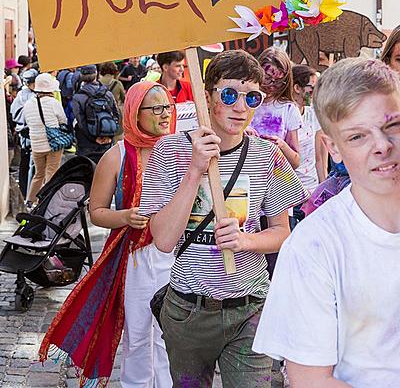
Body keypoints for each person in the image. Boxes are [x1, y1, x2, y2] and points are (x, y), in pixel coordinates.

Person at [139, 50, 309, 388]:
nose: (241, 107)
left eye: (252, 97)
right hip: (188, 310)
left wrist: (246, 240)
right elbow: (163, 239)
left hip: (251, 308)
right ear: (206, 96)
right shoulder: (168, 150)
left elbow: (283, 234)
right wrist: (194, 170)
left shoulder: (267, 155)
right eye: (229, 95)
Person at [253, 57, 400, 387]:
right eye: (357, 137)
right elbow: (310, 380)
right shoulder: (312, 247)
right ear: (333, 148)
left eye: (392, 125)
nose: (382, 146)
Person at [40, 82, 176, 388]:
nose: (165, 114)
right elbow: (96, 212)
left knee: (168, 339)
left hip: (177, 258)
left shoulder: (179, 149)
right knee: (139, 335)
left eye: (167, 106)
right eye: (156, 108)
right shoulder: (116, 156)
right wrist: (125, 216)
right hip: (135, 259)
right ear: (134, 113)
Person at [251, 47, 301, 169]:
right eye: (267, 78)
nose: (272, 85)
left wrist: (281, 145)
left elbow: (296, 162)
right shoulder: (243, 100)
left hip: (274, 180)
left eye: (279, 81)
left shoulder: (288, 109)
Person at [23, 73, 67, 206]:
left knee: (39, 174)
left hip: (36, 145)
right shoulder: (54, 103)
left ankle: (30, 200)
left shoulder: (28, 103)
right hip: (53, 144)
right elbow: (63, 120)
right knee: (51, 173)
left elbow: (27, 121)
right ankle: (47, 202)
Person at [72, 65, 119, 164]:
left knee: (87, 168)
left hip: (86, 142)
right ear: (96, 74)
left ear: (81, 76)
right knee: (106, 167)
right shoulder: (107, 93)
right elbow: (116, 115)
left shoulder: (78, 97)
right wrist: (109, 136)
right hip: (106, 138)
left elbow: (80, 122)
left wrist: (94, 138)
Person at [292, 64, 328, 193]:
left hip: (312, 190)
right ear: (297, 88)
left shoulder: (312, 112)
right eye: (311, 88)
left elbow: (319, 157)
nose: (315, 93)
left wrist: (324, 186)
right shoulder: (285, 115)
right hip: (292, 195)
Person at [10, 68, 38, 197]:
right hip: (32, 132)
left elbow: (13, 114)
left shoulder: (20, 96)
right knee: (32, 164)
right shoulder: (33, 97)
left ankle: (23, 190)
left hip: (22, 133)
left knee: (24, 162)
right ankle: (30, 193)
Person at [99, 61, 126, 141]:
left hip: (101, 114)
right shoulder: (117, 84)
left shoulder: (97, 83)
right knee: (118, 138)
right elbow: (123, 99)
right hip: (115, 113)